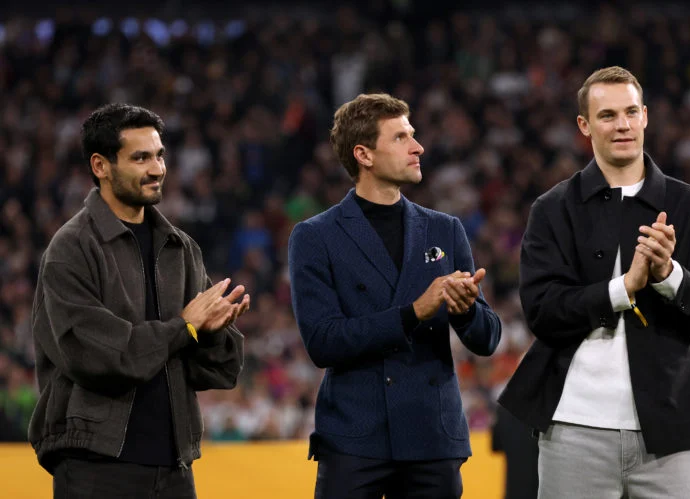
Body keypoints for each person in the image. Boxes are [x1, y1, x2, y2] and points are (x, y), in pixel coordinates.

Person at [499, 66, 690, 498]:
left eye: (631, 112)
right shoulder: (553, 208)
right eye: (607, 115)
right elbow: (542, 312)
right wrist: (623, 288)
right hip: (573, 428)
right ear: (584, 126)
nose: (623, 124)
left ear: (645, 116)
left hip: (670, 431)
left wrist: (669, 275)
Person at [29, 103, 249, 498]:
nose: (157, 168)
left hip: (174, 468)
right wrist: (184, 327)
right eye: (141, 157)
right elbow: (98, 357)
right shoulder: (70, 249)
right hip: (95, 467)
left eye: (160, 155)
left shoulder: (180, 248)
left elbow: (220, 373)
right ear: (101, 166)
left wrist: (215, 333)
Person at [288, 93, 501, 498]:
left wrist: (465, 310)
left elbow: (487, 338)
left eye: (414, 135)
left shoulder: (444, 229)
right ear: (364, 155)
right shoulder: (316, 236)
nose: (418, 146)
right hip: (354, 439)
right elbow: (323, 342)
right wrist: (413, 312)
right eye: (401, 137)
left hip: (431, 439)